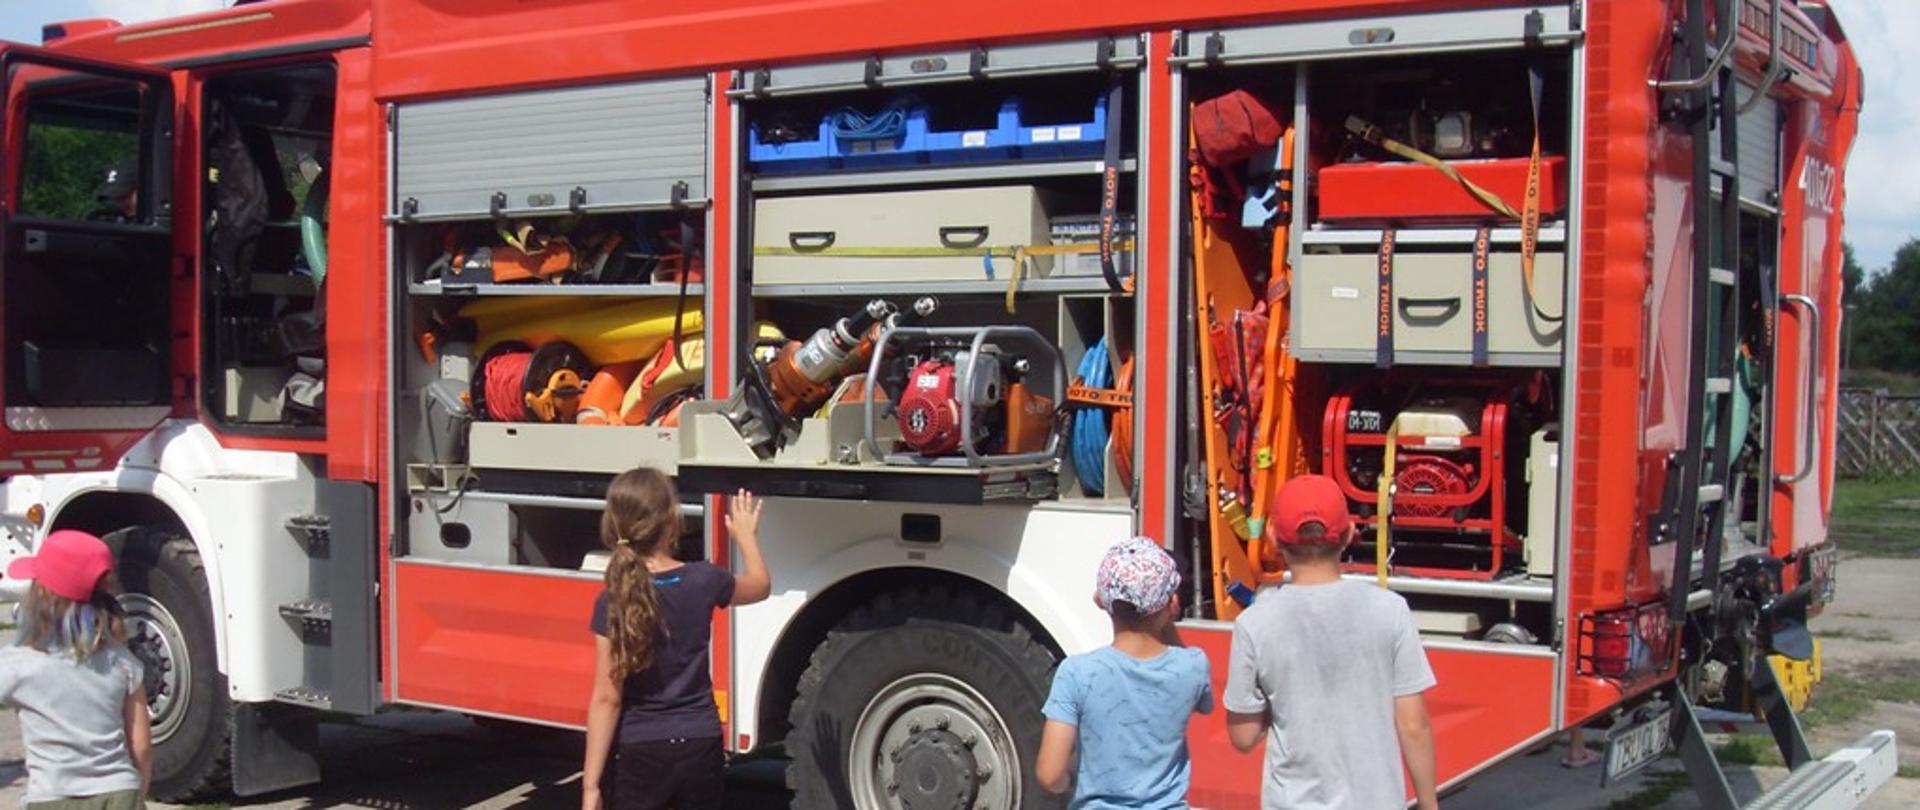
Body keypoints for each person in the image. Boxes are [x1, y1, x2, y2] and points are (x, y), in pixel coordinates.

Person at [1222, 475, 1439, 810]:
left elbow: (1243, 737)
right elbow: (1413, 726)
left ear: (1273, 538)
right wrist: (1429, 804)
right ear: (1350, 534)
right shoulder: (1390, 610)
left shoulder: (1254, 623)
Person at [581, 471, 770, 810]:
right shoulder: (704, 579)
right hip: (700, 740)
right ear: (672, 522)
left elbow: (607, 699)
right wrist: (745, 537)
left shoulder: (611, 600)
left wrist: (591, 785)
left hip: (641, 747)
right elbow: (760, 585)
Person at [1036, 536, 1213, 808]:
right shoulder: (1193, 666)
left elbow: (1050, 775)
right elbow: (1202, 701)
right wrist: (1166, 617)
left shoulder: (1077, 673)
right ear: (1172, 603)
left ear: (1100, 600)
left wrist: (1071, 781)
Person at [0, 529, 152, 810]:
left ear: (41, 593)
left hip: (53, 797)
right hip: (120, 792)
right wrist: (137, 798)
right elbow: (141, 746)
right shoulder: (122, 662)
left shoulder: (18, 664)